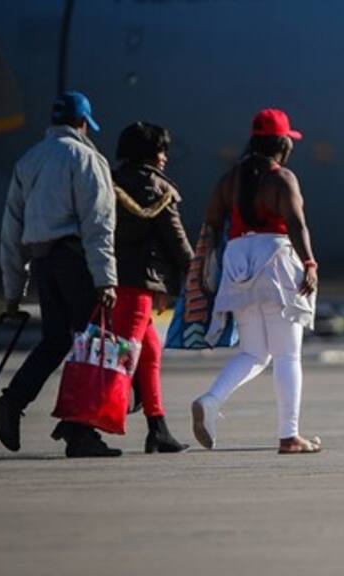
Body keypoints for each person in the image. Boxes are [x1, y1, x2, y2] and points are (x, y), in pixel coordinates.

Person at [0, 91, 121, 458]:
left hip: (45, 264)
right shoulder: (85, 158)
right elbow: (98, 223)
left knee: (55, 340)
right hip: (74, 260)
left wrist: (13, 292)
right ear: (83, 124)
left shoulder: (28, 161)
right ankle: (80, 432)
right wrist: (106, 278)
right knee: (93, 343)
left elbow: (11, 230)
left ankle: (14, 400)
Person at [191, 108, 321, 454]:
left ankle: (211, 399)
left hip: (238, 260)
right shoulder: (282, 179)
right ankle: (289, 435)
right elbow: (296, 223)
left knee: (253, 352)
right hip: (275, 259)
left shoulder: (230, 179)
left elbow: (210, 223)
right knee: (288, 356)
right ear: (282, 144)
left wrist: (202, 267)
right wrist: (308, 261)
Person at [110, 121, 194, 453]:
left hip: (122, 280)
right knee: (123, 355)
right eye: (160, 150)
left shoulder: (112, 183)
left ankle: (157, 427)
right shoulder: (155, 189)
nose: (164, 158)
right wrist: (196, 270)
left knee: (148, 353)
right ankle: (78, 426)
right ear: (148, 153)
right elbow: (175, 238)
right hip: (138, 282)